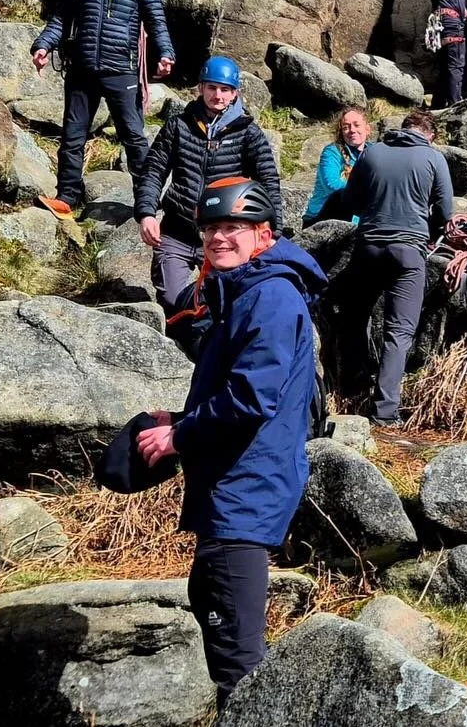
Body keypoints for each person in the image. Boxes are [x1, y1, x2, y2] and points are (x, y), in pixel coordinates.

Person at [136, 177, 326, 711]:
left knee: (238, 664)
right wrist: (181, 416)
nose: (220, 238)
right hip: (239, 489)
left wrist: (179, 436)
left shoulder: (267, 297)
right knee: (213, 605)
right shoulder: (253, 293)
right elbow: (247, 389)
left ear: (263, 235)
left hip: (243, 493)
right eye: (212, 228)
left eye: (233, 228)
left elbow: (248, 399)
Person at [29, 0, 175, 219]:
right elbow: (59, 19)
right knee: (72, 136)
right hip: (81, 71)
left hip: (121, 71)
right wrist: (43, 46)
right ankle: (67, 197)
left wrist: (165, 53)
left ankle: (146, 200)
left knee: (133, 137)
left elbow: (157, 23)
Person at [135, 55, 282, 311]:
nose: (218, 95)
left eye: (225, 89)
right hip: (177, 231)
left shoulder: (248, 133)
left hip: (222, 234)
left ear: (235, 93)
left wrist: (274, 232)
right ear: (200, 87)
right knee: (173, 302)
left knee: (221, 306)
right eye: (212, 87)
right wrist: (146, 213)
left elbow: (269, 181)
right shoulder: (177, 126)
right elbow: (154, 170)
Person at [340, 109, 454, 426]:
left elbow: (349, 203)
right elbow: (445, 212)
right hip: (408, 252)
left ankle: (352, 390)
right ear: (429, 135)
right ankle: (384, 412)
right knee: (399, 332)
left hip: (367, 247)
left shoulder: (372, 152)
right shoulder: (433, 159)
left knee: (355, 318)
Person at [303, 106, 372, 227]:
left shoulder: (374, 152)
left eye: (357, 125)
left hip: (359, 219)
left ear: (367, 129)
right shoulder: (332, 152)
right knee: (340, 195)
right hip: (322, 217)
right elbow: (332, 185)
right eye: (346, 127)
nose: (352, 130)